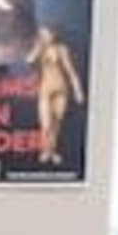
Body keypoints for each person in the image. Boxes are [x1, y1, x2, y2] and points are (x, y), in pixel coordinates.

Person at [31, 27, 87, 166]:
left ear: (53, 34)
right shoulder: (39, 48)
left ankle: (52, 151)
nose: (44, 35)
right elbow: (29, 61)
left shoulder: (61, 49)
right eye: (41, 34)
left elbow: (70, 71)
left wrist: (78, 90)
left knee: (57, 123)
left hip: (61, 89)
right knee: (46, 125)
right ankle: (45, 150)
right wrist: (39, 47)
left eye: (47, 33)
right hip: (45, 90)